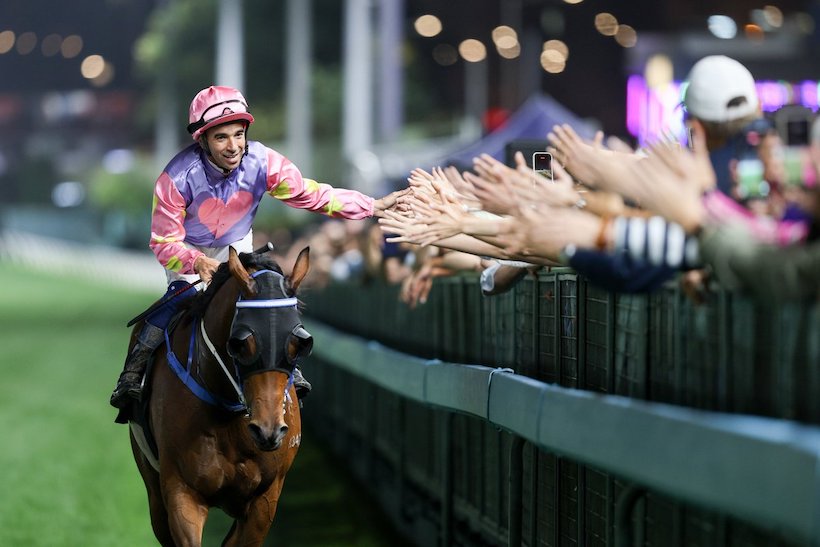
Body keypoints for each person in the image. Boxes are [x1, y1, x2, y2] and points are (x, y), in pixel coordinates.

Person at [110, 85, 406, 410]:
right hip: (188, 247)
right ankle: (132, 375)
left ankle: (291, 371)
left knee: (265, 299)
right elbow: (164, 242)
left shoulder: (264, 162)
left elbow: (313, 194)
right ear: (203, 139)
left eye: (238, 134)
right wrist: (196, 263)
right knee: (178, 300)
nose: (233, 146)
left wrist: (372, 206)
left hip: (236, 243)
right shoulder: (176, 178)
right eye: (221, 137)